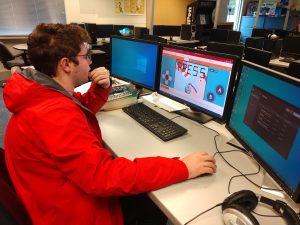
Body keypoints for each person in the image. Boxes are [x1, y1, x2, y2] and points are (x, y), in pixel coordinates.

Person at [3, 23, 216, 225]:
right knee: (158, 201)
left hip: (58, 201)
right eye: (86, 56)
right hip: (78, 215)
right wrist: (182, 167)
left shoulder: (41, 95)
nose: (90, 62)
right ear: (66, 64)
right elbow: (103, 176)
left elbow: (75, 106)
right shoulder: (53, 114)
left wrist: (99, 89)